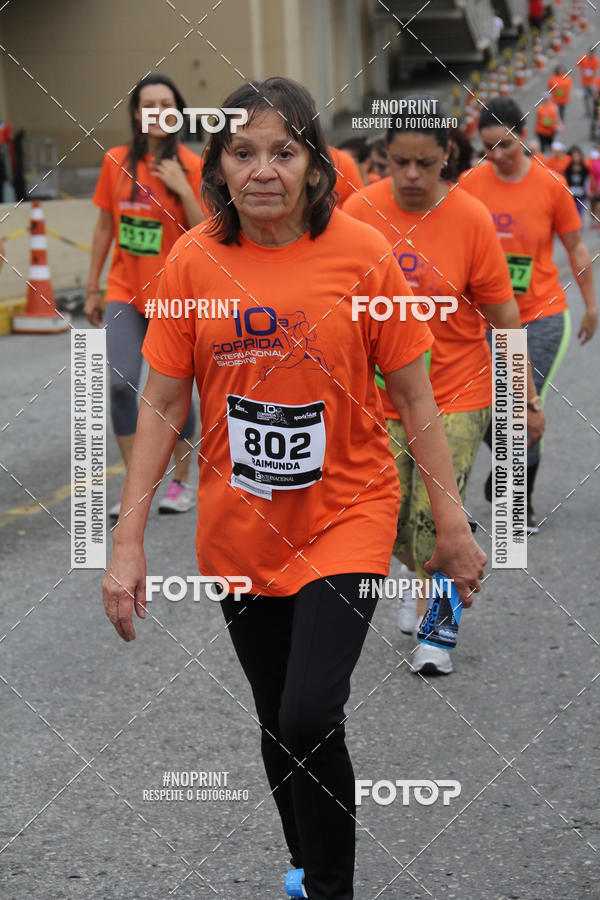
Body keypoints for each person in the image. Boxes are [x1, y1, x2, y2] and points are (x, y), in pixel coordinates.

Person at [102, 76, 486, 900]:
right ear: (219, 167)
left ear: (317, 166)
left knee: (311, 713)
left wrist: (449, 524)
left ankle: (332, 888)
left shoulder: (362, 254)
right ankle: (310, 875)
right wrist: (127, 543)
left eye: (285, 151)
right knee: (280, 720)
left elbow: (417, 396)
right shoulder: (193, 261)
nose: (263, 169)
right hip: (238, 532)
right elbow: (164, 402)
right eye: (243, 152)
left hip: (348, 514)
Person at [343, 101, 544, 674]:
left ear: (446, 158)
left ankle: (440, 629)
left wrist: (525, 398)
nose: (410, 175)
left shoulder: (471, 219)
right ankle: (415, 572)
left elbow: (505, 318)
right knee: (393, 520)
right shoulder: (358, 213)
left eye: (424, 164)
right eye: (399, 161)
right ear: (384, 157)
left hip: (456, 391)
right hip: (377, 398)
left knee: (439, 512)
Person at [460, 97, 598, 532]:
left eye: (504, 145)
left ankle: (518, 504)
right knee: (480, 406)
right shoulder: (468, 184)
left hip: (539, 314)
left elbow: (577, 247)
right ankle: (507, 467)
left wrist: (591, 305)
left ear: (523, 135)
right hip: (480, 318)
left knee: (518, 406)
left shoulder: (551, 184)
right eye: (486, 148)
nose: (496, 156)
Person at [85, 74, 203, 518]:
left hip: (174, 296)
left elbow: (203, 233)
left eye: (165, 104)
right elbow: (103, 228)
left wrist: (183, 188)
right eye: (147, 105)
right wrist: (93, 285)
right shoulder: (115, 161)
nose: (157, 112)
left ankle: (180, 481)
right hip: (124, 290)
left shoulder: (193, 164)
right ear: (136, 114)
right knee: (119, 385)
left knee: (174, 390)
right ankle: (138, 485)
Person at [564, 146, 589, 223]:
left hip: (581, 194)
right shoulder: (568, 168)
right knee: (572, 211)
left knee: (580, 210)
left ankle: (578, 224)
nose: (576, 158)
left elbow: (587, 181)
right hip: (571, 194)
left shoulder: (584, 168)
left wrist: (588, 192)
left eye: (578, 156)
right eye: (574, 156)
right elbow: (566, 181)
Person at [577, 47, 600, 118]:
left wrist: (593, 82)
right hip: (584, 82)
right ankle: (588, 111)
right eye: (590, 52)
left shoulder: (595, 60)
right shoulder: (583, 58)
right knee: (586, 97)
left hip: (592, 82)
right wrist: (580, 75)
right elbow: (579, 67)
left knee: (595, 97)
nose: (591, 54)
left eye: (593, 52)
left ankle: (596, 109)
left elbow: (595, 71)